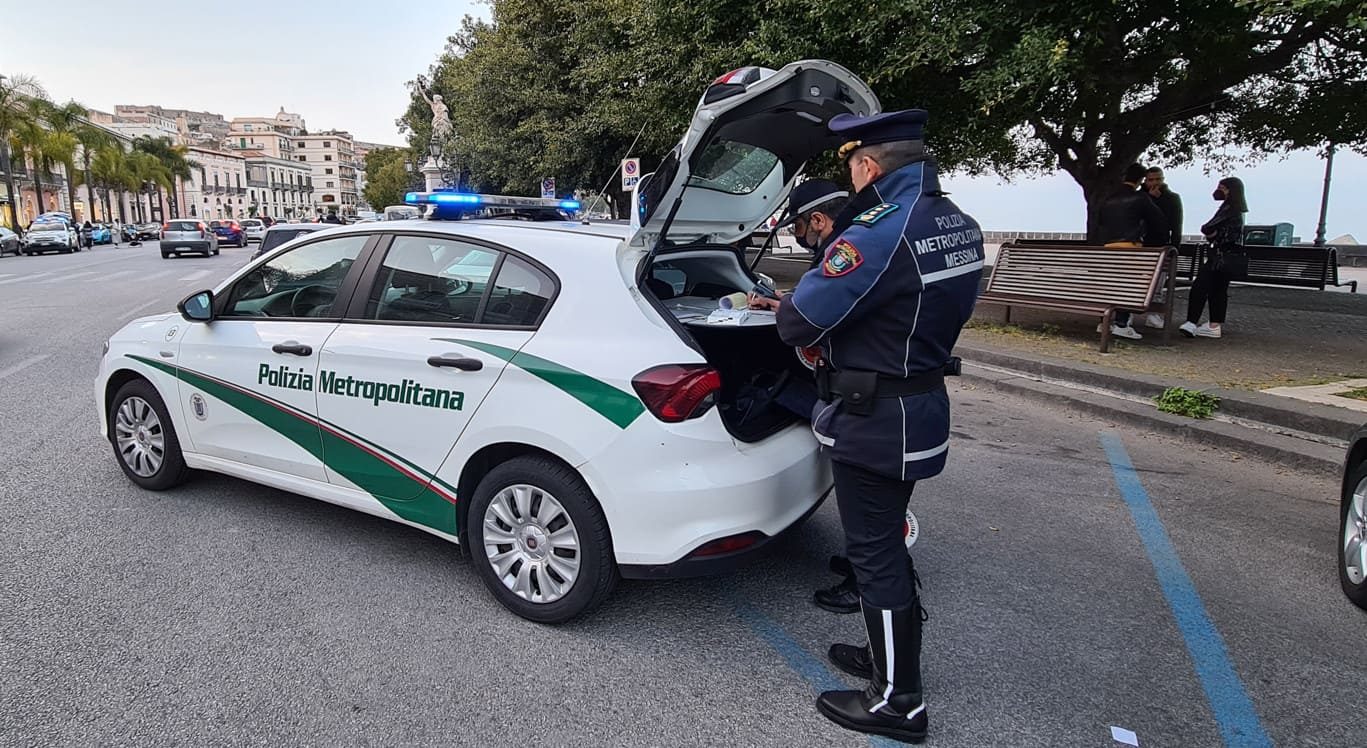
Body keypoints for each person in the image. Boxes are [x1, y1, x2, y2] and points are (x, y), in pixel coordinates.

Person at [750, 109, 982, 744]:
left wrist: (790, 306)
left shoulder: (881, 230)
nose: (853, 183)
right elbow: (907, 309)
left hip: (876, 417)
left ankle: (897, 702)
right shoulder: (956, 222)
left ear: (869, 166)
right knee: (882, 546)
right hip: (918, 406)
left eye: (852, 167)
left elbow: (800, 323)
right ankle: (891, 660)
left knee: (875, 554)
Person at [1091, 163, 1167, 339]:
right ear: (1140, 180)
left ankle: (1103, 322)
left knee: (1109, 285)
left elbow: (1100, 222)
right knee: (1126, 286)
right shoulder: (1140, 198)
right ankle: (1122, 324)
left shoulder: (1108, 199)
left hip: (1109, 247)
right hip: (1130, 247)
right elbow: (1159, 221)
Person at [1181, 177, 1247, 339]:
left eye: (1222, 188)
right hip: (1231, 256)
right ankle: (1214, 325)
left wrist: (1211, 235)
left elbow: (1208, 227)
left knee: (1200, 287)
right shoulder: (1238, 211)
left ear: (1229, 190)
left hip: (1218, 255)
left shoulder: (1228, 209)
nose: (1218, 191)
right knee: (1219, 290)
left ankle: (1191, 321)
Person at [1140, 167, 1184, 328]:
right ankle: (1129, 314)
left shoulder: (1172, 198)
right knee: (1139, 282)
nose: (1155, 183)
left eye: (1158, 179)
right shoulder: (1139, 197)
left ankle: (1154, 314)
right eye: (1151, 180)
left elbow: (1176, 225)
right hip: (1141, 245)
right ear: (1145, 181)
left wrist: (1174, 247)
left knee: (1158, 283)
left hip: (1161, 244)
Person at [775, 179, 848, 269]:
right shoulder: (856, 245)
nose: (796, 235)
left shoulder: (829, 266)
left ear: (818, 220)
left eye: (797, 226)